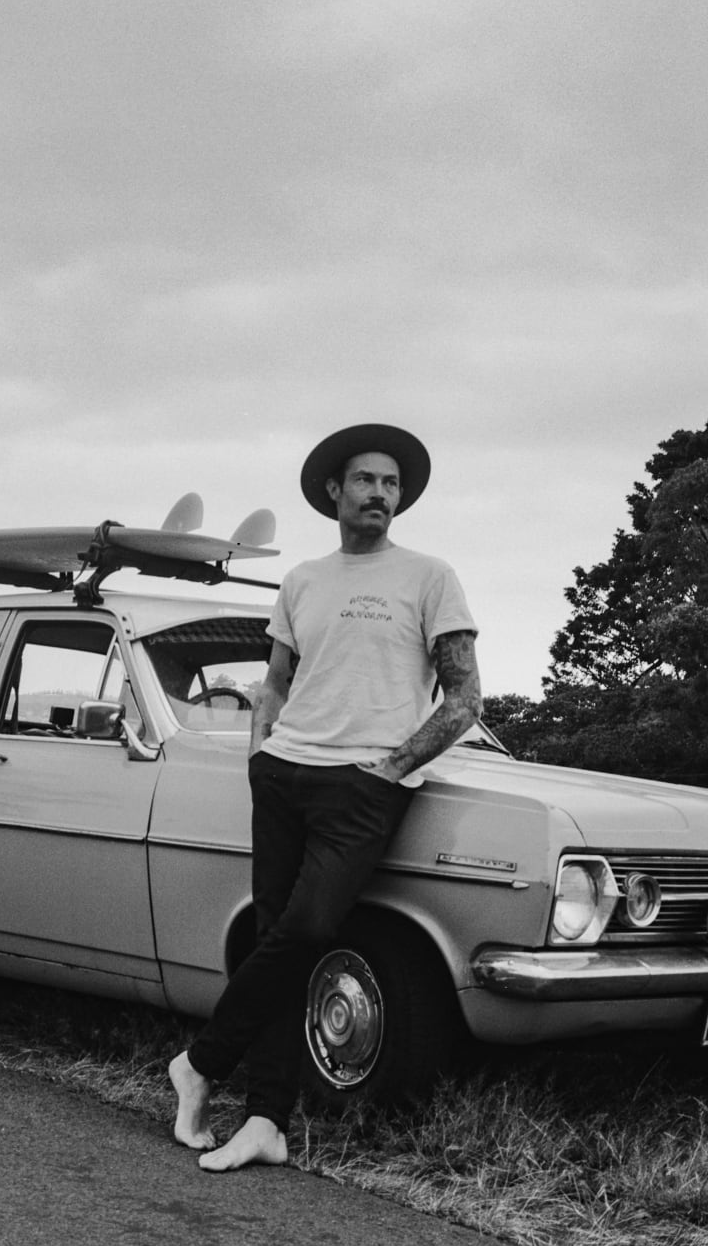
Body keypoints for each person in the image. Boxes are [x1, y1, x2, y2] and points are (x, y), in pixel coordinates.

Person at [169, 422, 481, 1172]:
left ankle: (200, 1061)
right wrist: (258, 758)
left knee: (304, 930)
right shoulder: (304, 580)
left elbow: (465, 696)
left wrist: (392, 765)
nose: (380, 492)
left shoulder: (429, 575)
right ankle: (266, 1120)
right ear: (335, 492)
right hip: (283, 774)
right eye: (366, 479)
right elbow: (274, 683)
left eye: (392, 483)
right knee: (278, 935)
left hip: (367, 786)